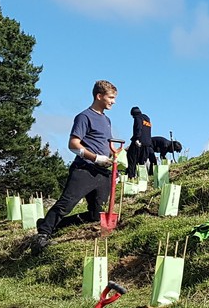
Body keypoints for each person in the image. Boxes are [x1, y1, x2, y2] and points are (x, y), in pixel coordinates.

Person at [33, 80, 118, 254]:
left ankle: (56, 224)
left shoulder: (107, 120)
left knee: (96, 215)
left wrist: (113, 163)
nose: (113, 101)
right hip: (84, 169)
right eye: (111, 97)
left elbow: (105, 146)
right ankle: (42, 235)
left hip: (102, 173)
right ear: (99, 96)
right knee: (66, 204)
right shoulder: (84, 117)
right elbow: (73, 144)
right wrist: (95, 158)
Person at [126, 106, 152, 178]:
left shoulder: (137, 118)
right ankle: (142, 177)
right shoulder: (147, 118)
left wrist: (136, 139)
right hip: (147, 143)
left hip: (139, 142)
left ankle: (131, 176)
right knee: (142, 162)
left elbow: (138, 128)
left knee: (131, 158)